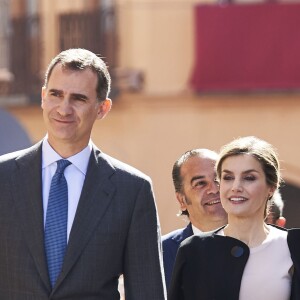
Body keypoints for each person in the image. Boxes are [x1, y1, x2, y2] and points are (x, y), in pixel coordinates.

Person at [0, 48, 166, 299]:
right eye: (56, 94)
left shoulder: (132, 190)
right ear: (43, 97)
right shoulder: (4, 178)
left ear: (102, 108)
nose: (64, 109)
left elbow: (147, 291)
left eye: (78, 98)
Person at [169, 136, 300, 300]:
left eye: (249, 178)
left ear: (271, 187)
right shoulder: (193, 250)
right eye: (228, 178)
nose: (236, 187)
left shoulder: (293, 246)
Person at [162, 149, 227, 290]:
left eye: (219, 179)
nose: (214, 189)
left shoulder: (261, 244)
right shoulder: (160, 254)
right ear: (181, 200)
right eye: (200, 183)